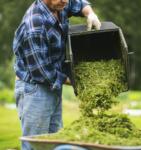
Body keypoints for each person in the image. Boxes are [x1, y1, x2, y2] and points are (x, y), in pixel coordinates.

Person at [12, 0, 101, 149]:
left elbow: (78, 4)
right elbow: (43, 73)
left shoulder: (60, 4)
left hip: (52, 86)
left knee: (55, 141)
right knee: (36, 144)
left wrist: (90, 13)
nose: (65, 1)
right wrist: (77, 80)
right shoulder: (34, 26)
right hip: (35, 90)